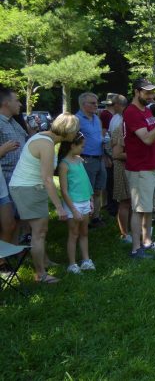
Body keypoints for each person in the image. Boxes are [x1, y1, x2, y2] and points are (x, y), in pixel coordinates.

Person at [9, 113, 80, 283]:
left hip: (30, 187)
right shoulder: (46, 144)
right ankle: (40, 275)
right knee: (39, 233)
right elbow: (48, 179)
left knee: (40, 230)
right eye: (75, 130)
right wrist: (60, 207)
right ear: (67, 130)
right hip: (28, 189)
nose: (76, 134)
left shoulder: (46, 139)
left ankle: (45, 261)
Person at [123, 78, 155, 259]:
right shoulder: (131, 112)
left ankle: (147, 241)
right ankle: (136, 248)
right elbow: (147, 138)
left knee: (149, 208)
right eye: (147, 92)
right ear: (137, 92)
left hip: (153, 166)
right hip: (140, 168)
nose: (152, 95)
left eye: (152, 92)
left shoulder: (146, 111)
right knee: (139, 209)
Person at [56, 132, 95, 274]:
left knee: (84, 232)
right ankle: (72, 264)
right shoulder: (64, 165)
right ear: (72, 145)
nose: (83, 149)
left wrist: (91, 200)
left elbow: (86, 181)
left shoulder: (79, 160)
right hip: (74, 204)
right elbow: (64, 191)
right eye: (81, 146)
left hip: (85, 201)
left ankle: (86, 260)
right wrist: (73, 210)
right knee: (73, 234)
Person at [76, 92, 107, 227]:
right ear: (84, 104)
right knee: (87, 191)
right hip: (86, 159)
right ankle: (85, 219)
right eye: (93, 103)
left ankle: (96, 217)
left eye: (96, 102)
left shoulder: (97, 118)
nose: (96, 105)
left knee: (98, 189)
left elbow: (100, 137)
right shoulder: (76, 119)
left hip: (100, 158)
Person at [0, 86, 26, 244]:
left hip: (17, 178)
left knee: (14, 221)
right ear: (6, 103)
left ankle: (11, 255)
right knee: (7, 223)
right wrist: (3, 149)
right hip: (5, 178)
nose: (20, 104)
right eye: (16, 100)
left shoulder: (14, 123)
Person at [109, 95, 132, 244]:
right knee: (124, 202)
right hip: (122, 168)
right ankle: (124, 234)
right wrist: (136, 155)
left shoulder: (129, 127)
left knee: (131, 202)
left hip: (131, 168)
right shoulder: (120, 128)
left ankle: (131, 230)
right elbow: (116, 154)